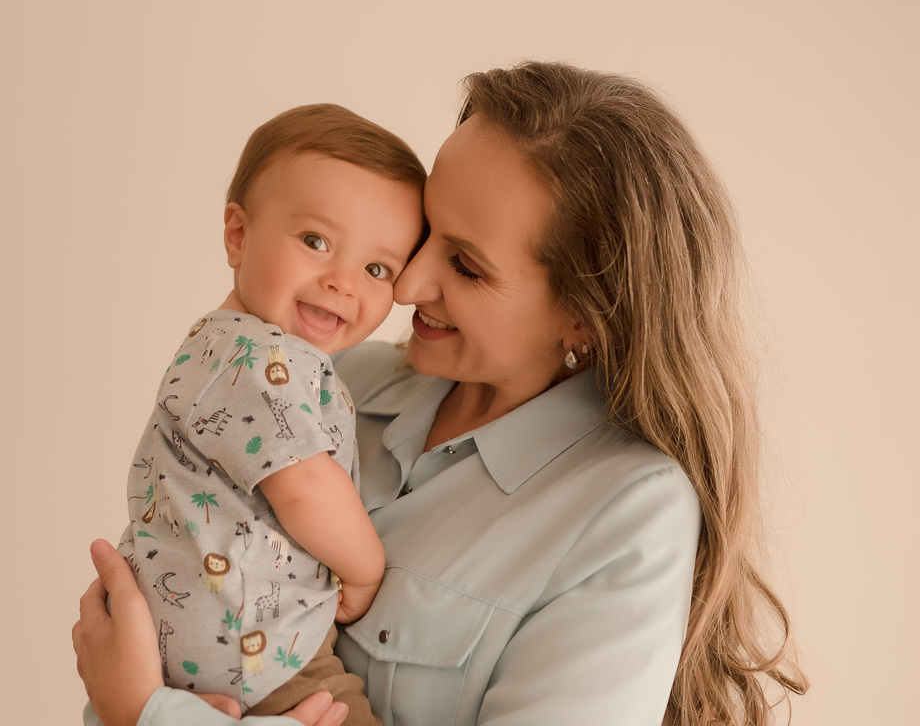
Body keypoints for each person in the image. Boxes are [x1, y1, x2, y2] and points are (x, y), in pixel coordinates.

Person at [73, 61, 809, 726]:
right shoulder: (340, 385)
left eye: (464, 264)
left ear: (586, 313)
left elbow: (140, 696)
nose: (408, 283)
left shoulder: (626, 517)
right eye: (424, 233)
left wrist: (144, 713)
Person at [100, 103, 425, 723]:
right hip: (251, 644)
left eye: (377, 268)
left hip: (208, 631)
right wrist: (364, 569)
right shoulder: (257, 357)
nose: (342, 282)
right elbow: (304, 485)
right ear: (238, 235)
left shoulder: (232, 348)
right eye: (316, 241)